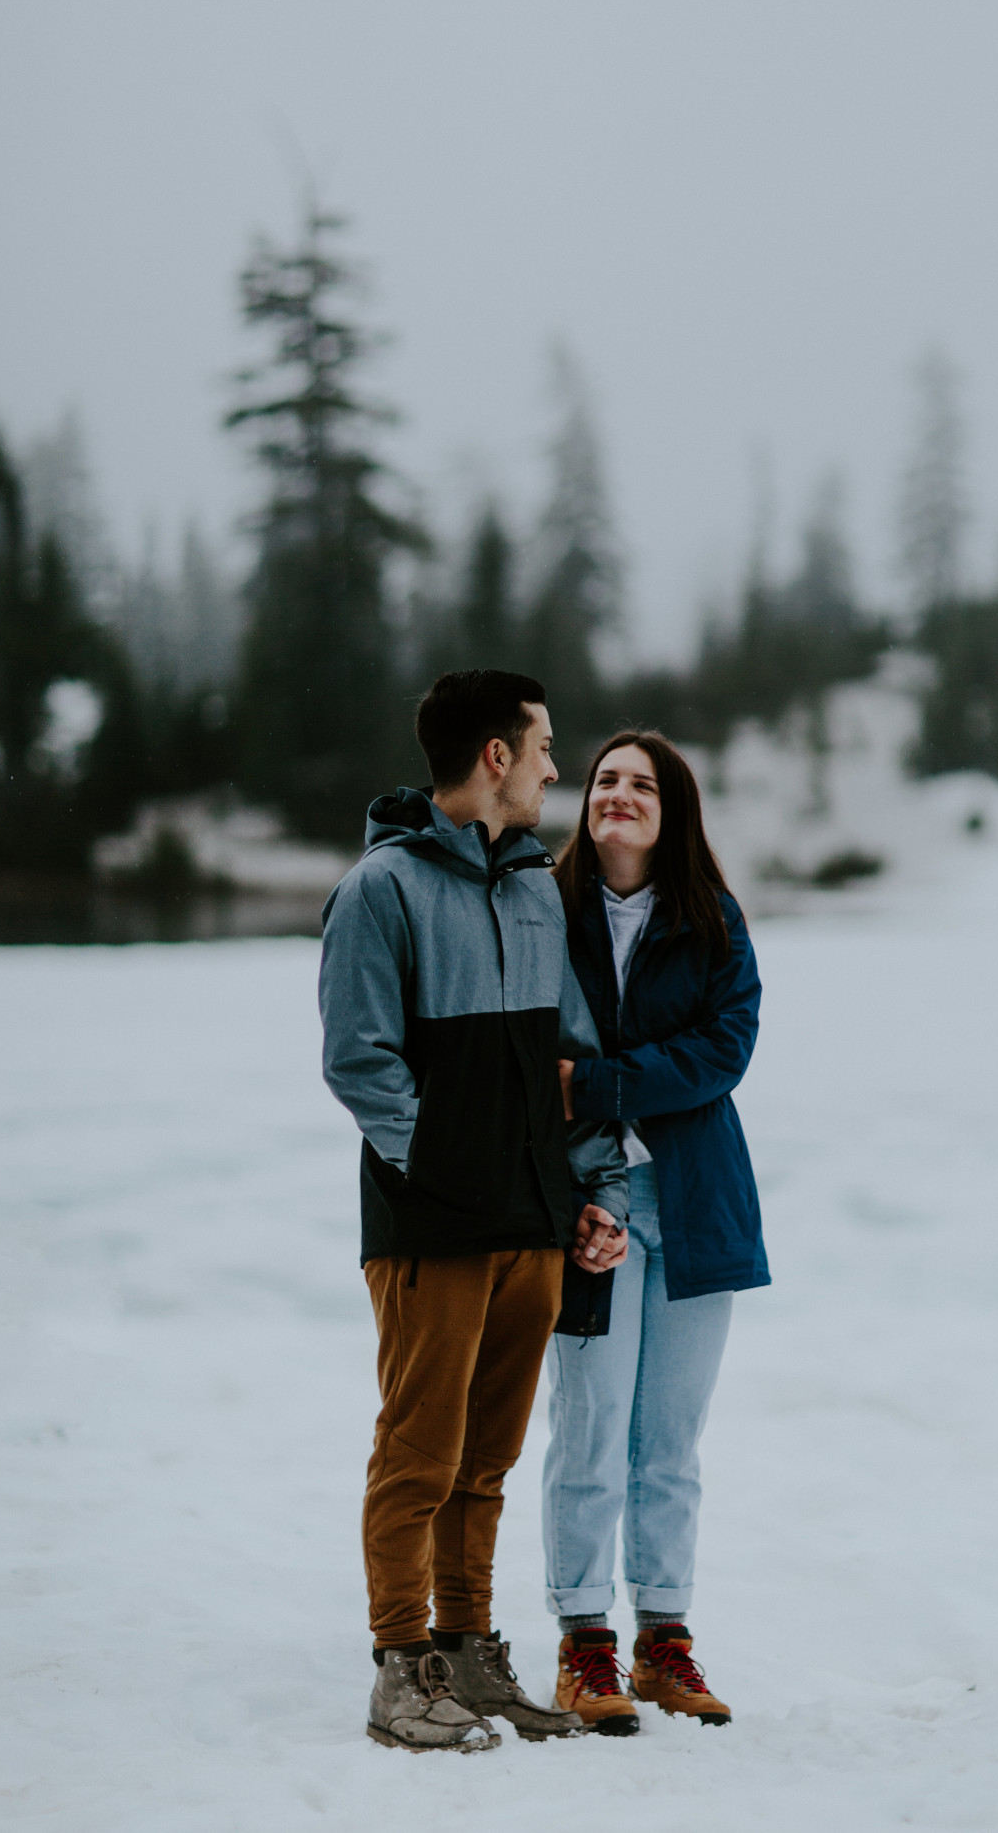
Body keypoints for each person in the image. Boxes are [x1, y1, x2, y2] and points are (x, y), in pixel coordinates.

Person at [319, 670, 630, 1754]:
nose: (556, 766)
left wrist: (595, 1188)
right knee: (419, 1452)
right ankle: (400, 1668)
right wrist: (445, 1174)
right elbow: (359, 1065)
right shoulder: (381, 891)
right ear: (494, 756)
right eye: (542, 746)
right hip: (432, 1226)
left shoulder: (536, 887)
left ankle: (464, 1652)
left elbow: (572, 1058)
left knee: (486, 1462)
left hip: (531, 1224)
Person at [543, 730, 768, 1735]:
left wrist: (595, 1083)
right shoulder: (542, 910)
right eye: (603, 780)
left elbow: (724, 1051)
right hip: (590, 1206)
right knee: (589, 1425)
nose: (618, 795)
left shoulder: (710, 920)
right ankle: (585, 1644)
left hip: (697, 1203)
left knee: (668, 1439)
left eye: (640, 784)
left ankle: (663, 1641)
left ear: (671, 810)